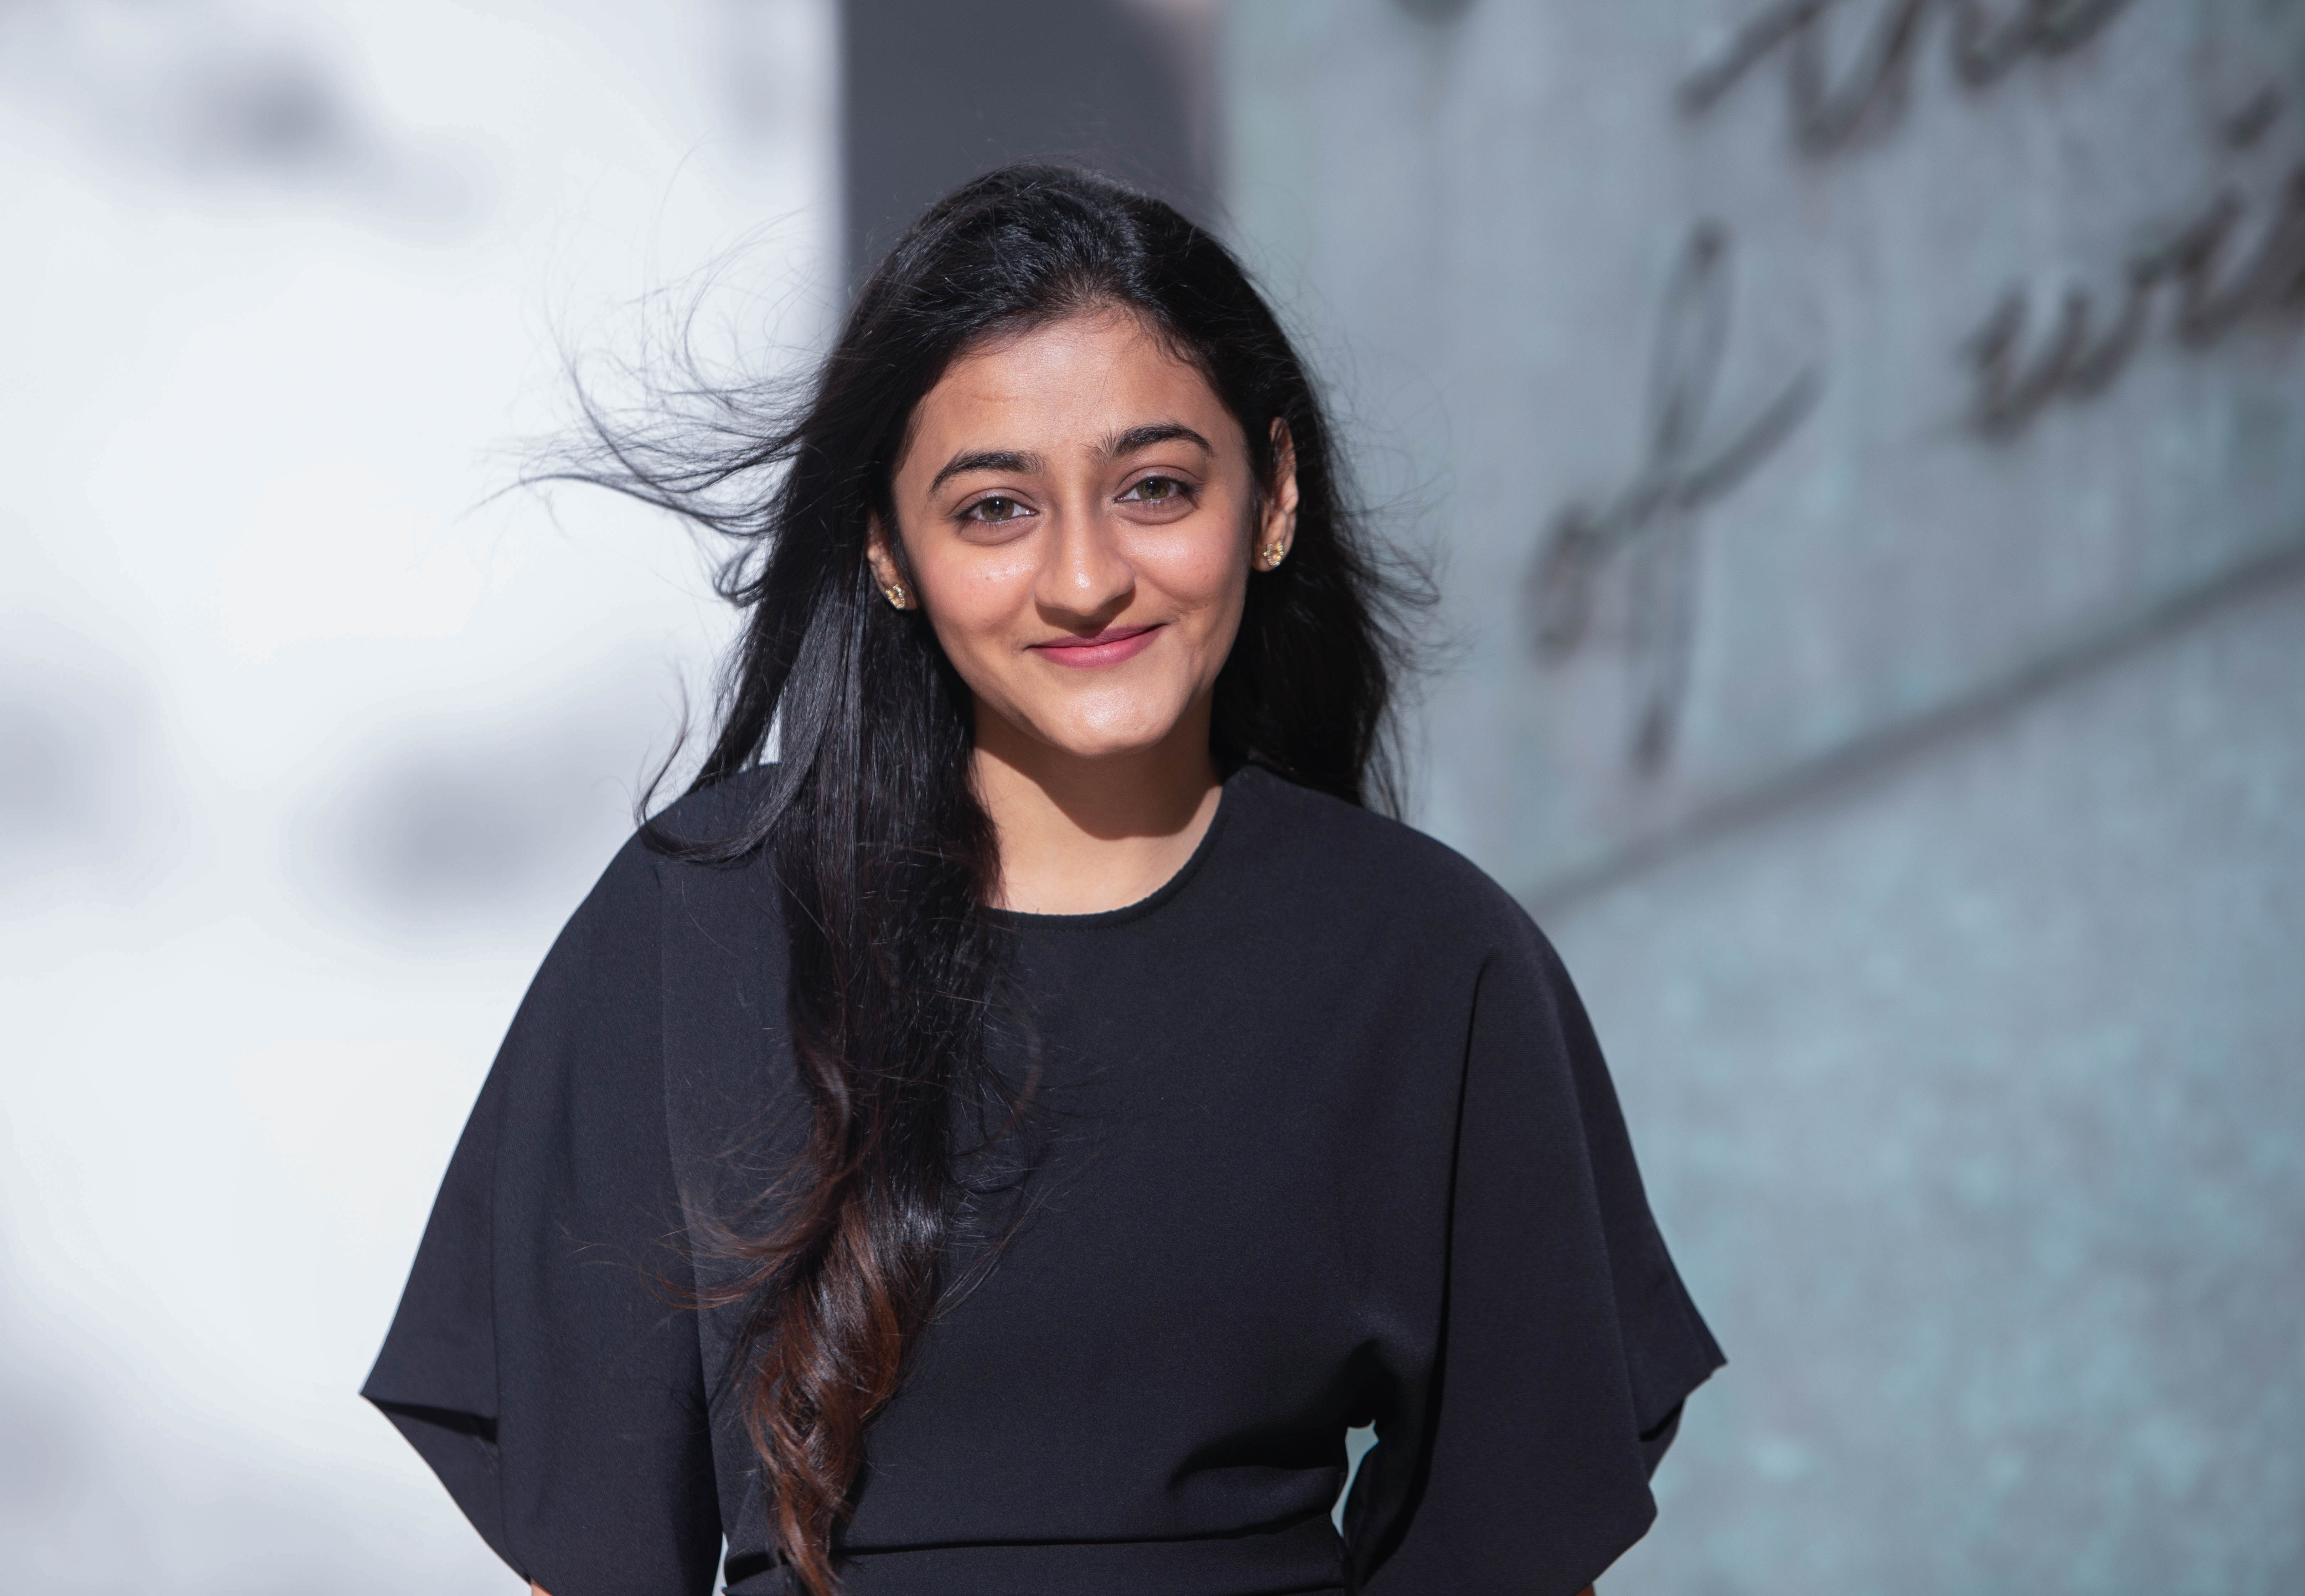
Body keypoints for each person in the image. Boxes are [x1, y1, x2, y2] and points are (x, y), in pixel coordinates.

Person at [363, 163, 1722, 1596]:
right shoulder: (695, 925)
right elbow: (591, 1555)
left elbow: (1514, 1532)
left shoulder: (1435, 962)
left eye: (1153, 488)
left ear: (1271, 499)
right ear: (889, 546)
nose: (1083, 578)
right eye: (994, 508)